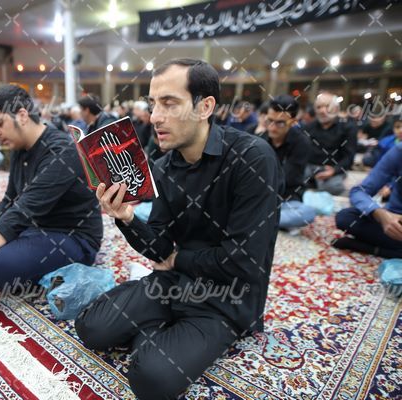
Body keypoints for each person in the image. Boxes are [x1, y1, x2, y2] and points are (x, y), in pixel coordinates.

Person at [75, 58, 282, 400]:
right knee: (90, 328)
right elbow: (158, 247)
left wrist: (176, 259)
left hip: (224, 298)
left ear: (205, 107)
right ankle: (158, 325)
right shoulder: (163, 166)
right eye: (153, 104)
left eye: (169, 103)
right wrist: (127, 218)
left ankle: (155, 329)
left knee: (151, 380)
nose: (155, 116)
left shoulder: (252, 158)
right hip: (173, 282)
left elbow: (243, 261)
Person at [0, 85, 103, 317]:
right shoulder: (19, 148)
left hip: (70, 237)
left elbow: (21, 212)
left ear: (22, 115)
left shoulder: (62, 150)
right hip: (30, 227)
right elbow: (10, 202)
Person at [333, 142, 402, 258]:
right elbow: (358, 191)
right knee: (346, 217)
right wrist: (381, 215)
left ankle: (369, 248)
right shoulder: (399, 152)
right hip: (394, 220)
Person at [260, 95, 316, 230]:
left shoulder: (302, 143)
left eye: (280, 123)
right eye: (270, 121)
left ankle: (258, 220)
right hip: (258, 196)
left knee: (307, 213)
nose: (272, 128)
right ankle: (264, 220)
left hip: (285, 199)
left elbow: (286, 180)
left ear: (293, 122)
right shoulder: (260, 139)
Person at [302, 93, 357, 195]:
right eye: (319, 107)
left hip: (333, 168)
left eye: (327, 106)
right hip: (310, 167)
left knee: (333, 187)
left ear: (336, 108)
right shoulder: (308, 127)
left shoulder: (347, 127)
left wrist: (334, 170)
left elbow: (349, 157)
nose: (322, 111)